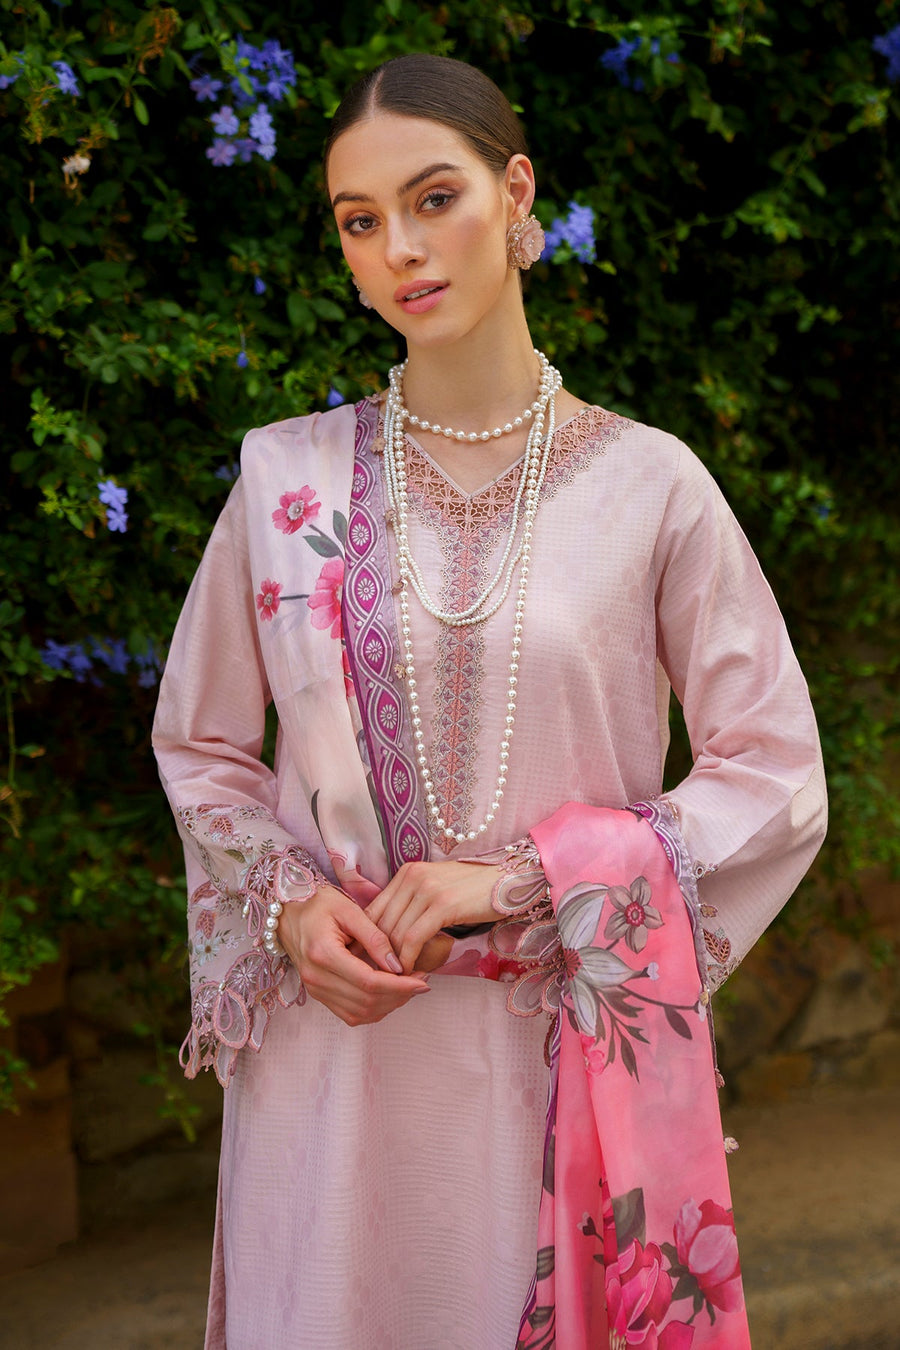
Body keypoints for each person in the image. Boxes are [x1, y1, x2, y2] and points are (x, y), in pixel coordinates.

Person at [153, 52, 826, 1350]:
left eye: (434, 197)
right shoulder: (284, 482)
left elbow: (776, 775)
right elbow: (200, 747)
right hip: (336, 1071)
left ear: (516, 194)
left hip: (553, 1064)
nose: (400, 248)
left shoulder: (652, 488)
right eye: (360, 221)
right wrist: (288, 908)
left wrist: (531, 877)